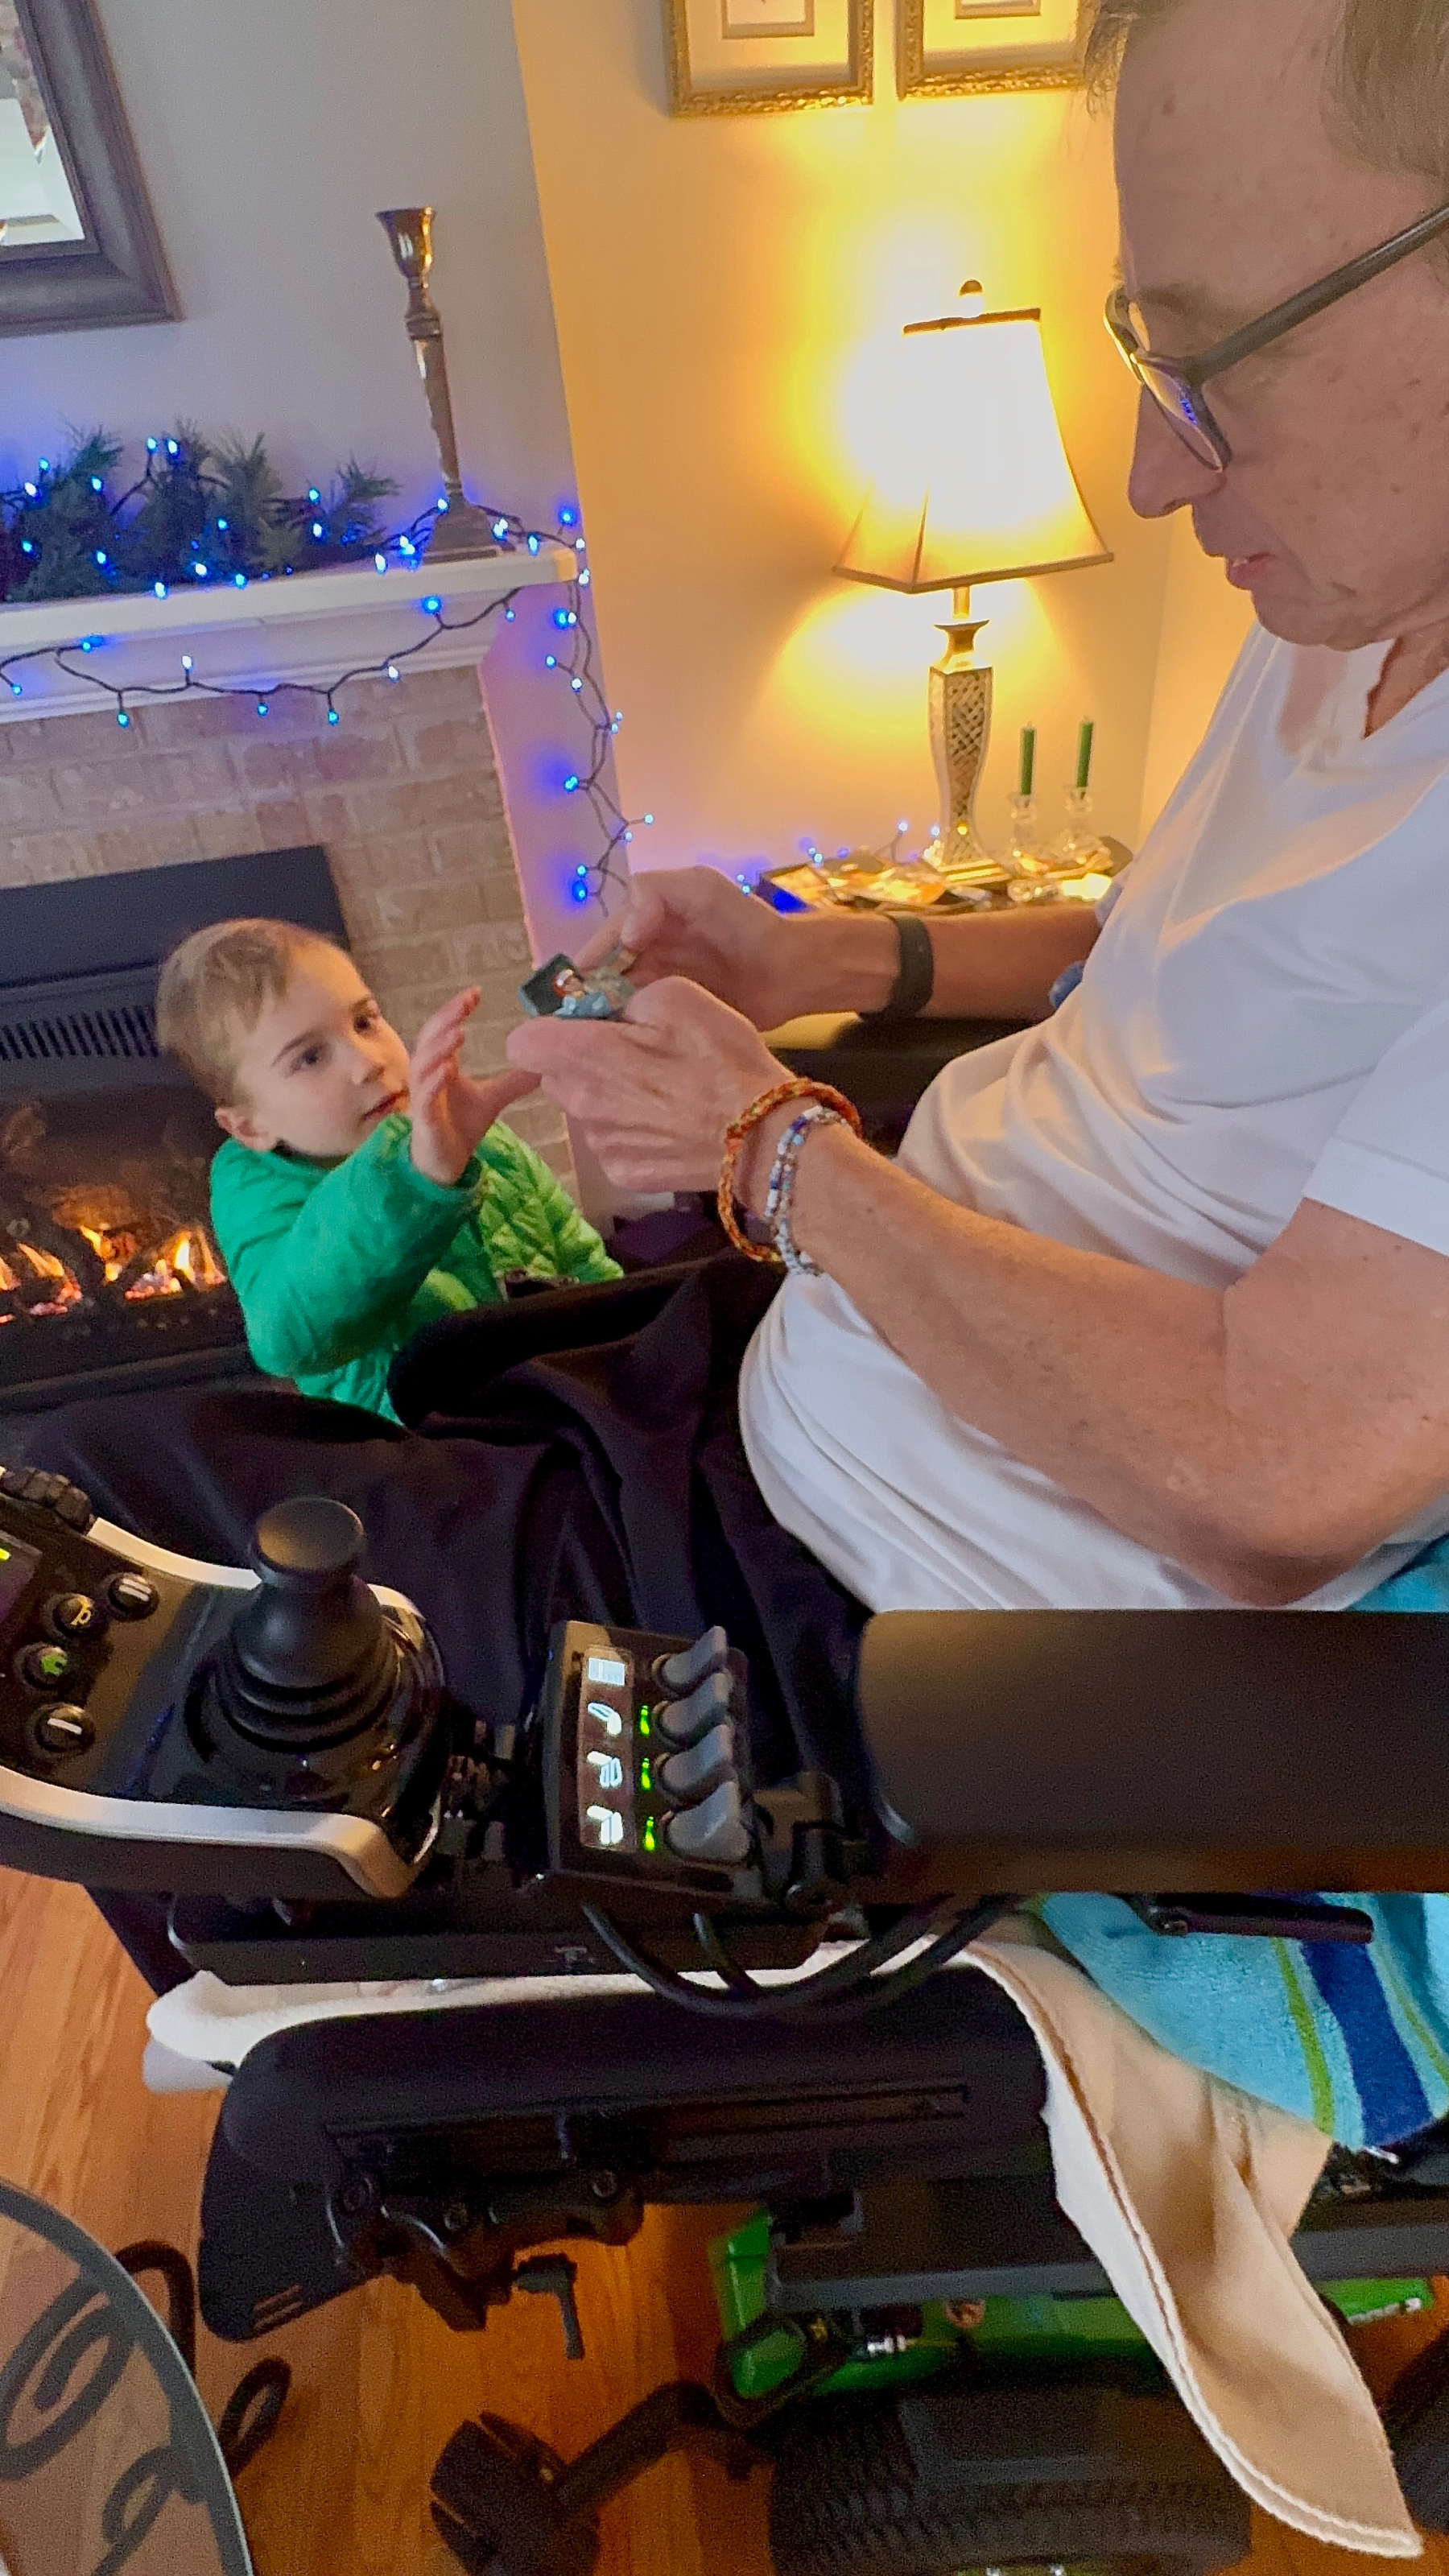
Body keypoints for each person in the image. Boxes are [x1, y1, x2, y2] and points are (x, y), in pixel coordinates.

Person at [25, 0, 1449, 2019]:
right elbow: (1169, 944)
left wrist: (779, 1153)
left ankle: (316, 2040)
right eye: (1147, 349)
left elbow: (1273, 1474)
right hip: (782, 1388)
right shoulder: (1347, 598)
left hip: (872, 1616)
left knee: (114, 1571)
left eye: (1213, 365)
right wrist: (833, 963)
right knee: (132, 1483)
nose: (1151, 469)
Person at [155, 919, 620, 1421]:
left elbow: (582, 1260)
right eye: (309, 1058)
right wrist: (418, 1179)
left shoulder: (474, 1133)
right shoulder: (256, 1190)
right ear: (250, 1127)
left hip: (561, 1404)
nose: (368, 1062)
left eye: (364, 1022)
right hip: (422, 1447)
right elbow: (286, 1341)